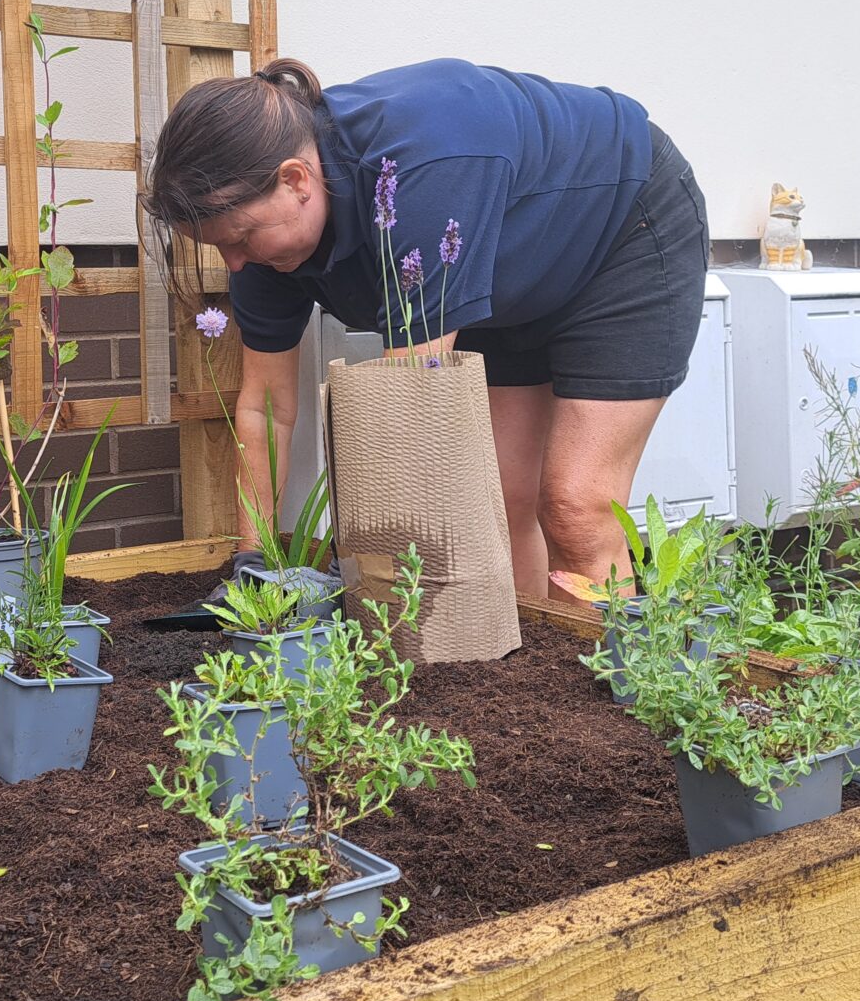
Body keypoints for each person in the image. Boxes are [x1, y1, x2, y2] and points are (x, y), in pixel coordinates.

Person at [139, 56, 709, 599]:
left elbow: (409, 405)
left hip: (622, 228)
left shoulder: (420, 174)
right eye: (219, 248)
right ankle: (536, 677)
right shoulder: (263, 255)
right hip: (511, 276)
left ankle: (617, 688)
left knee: (575, 507)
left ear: (296, 180)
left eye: (240, 238)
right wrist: (253, 566)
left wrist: (359, 569)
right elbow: (266, 408)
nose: (235, 263)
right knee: (502, 504)